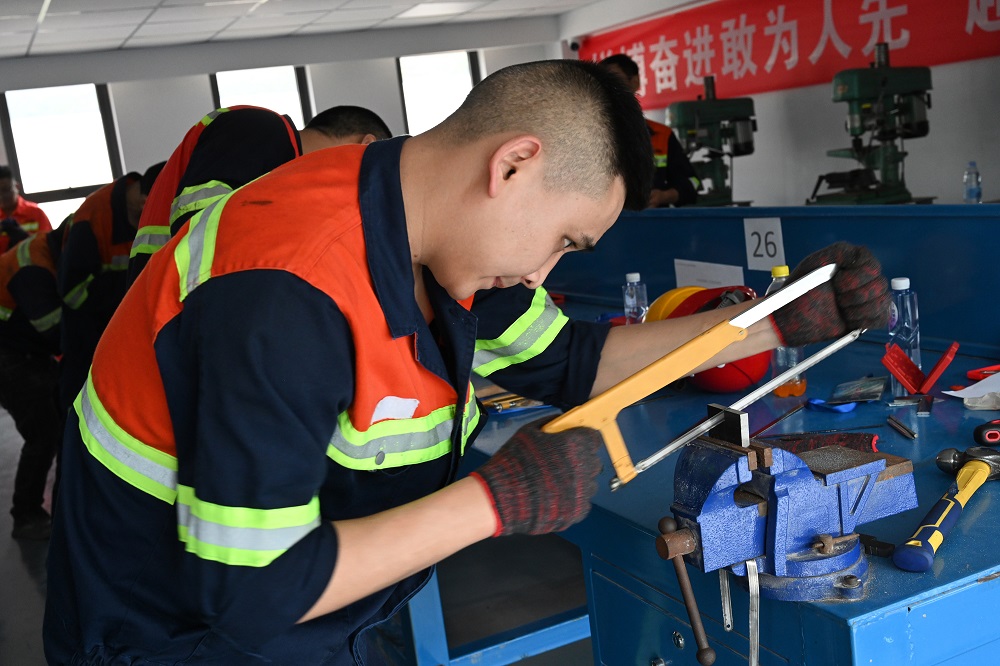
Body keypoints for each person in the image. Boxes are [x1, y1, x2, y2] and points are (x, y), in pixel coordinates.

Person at [44, 59, 890, 664]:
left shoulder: (435, 237)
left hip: (327, 613)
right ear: (512, 165)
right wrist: (494, 500)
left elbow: (574, 362)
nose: (543, 274)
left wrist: (771, 324)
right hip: (174, 635)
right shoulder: (283, 292)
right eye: (563, 240)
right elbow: (250, 590)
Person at [126, 104, 393, 284]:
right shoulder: (260, 128)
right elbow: (204, 231)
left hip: (166, 306)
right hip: (169, 306)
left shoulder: (280, 164)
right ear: (366, 145)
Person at [56, 162, 164, 412]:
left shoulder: (146, 205)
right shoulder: (92, 219)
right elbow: (73, 292)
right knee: (80, 409)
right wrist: (131, 291)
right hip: (86, 335)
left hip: (123, 329)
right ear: (144, 202)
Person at [0, 225, 66, 539]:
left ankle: (58, 499)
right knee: (43, 433)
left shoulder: (44, 250)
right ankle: (25, 514)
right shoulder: (33, 270)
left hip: (23, 351)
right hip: (10, 357)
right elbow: (55, 333)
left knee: (59, 417)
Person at [600, 54, 700, 207]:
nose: (609, 88)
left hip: (654, 219)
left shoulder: (662, 135)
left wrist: (665, 196)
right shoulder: (589, 136)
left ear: (634, 82)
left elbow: (692, 183)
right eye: (603, 82)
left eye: (615, 79)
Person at [0, 165, 52, 253]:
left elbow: (50, 246)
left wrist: (25, 236)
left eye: (6, 190)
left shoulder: (36, 213)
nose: (2, 196)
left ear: (17, 187)